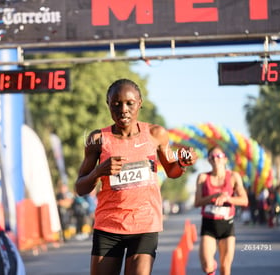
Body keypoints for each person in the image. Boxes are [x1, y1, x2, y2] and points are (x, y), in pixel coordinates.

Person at [75, 78, 197, 275]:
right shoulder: (97, 140)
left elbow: (172, 171)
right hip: (109, 226)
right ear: (108, 104)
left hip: (144, 224)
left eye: (130, 103)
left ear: (139, 103)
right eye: (116, 104)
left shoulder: (156, 134)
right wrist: (99, 172)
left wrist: (182, 163)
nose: (123, 109)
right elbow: (80, 188)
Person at [194, 146, 248, 275]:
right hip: (209, 225)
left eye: (218, 156)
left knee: (225, 268)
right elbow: (197, 202)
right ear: (209, 161)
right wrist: (213, 197)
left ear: (225, 159)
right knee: (207, 266)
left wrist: (227, 198)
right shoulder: (202, 177)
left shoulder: (234, 177)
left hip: (226, 226)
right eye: (212, 157)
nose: (215, 159)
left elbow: (244, 200)